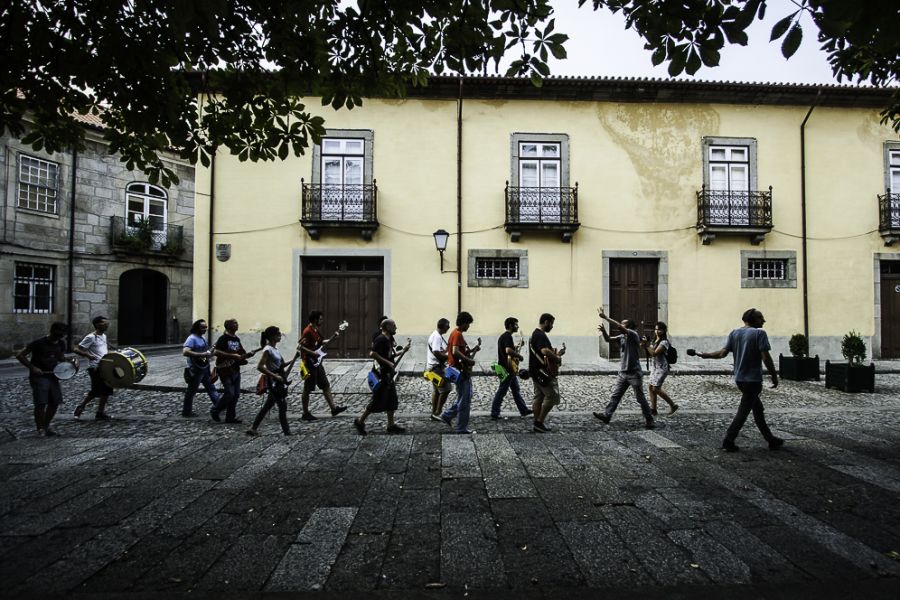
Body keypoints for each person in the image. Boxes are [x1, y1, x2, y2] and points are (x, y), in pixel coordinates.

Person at [693, 308, 784, 452]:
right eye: (761, 318)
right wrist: (773, 375)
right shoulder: (760, 333)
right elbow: (765, 357)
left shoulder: (735, 333)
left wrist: (706, 355)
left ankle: (770, 439)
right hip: (753, 380)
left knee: (757, 409)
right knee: (743, 411)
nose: (763, 320)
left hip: (740, 379)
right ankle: (728, 440)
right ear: (752, 319)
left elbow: (722, 353)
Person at [594, 308, 656, 430]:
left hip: (634, 373)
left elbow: (618, 326)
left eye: (623, 324)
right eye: (621, 323)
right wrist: (604, 331)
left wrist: (606, 317)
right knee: (616, 395)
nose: (621, 325)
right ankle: (607, 415)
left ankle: (649, 419)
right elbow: (608, 340)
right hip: (623, 372)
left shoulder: (633, 334)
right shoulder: (622, 336)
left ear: (629, 327)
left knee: (640, 398)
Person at [353, 319, 410, 435]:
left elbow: (390, 355)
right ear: (387, 327)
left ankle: (391, 425)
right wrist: (388, 363)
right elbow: (372, 354)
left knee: (392, 400)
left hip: (388, 374)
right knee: (377, 400)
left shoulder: (388, 339)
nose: (396, 327)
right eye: (394, 326)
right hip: (382, 375)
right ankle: (360, 421)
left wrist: (403, 350)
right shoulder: (381, 339)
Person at [16, 322, 70, 436]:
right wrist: (33, 367)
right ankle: (40, 428)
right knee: (41, 402)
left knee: (55, 402)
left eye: (63, 334)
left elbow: (60, 358)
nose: (61, 336)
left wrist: (69, 364)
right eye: (59, 333)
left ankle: (45, 427)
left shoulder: (61, 343)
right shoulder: (39, 343)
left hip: (53, 375)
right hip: (39, 376)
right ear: (53, 331)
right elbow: (20, 355)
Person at [434, 312, 480, 434]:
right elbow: (455, 351)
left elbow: (458, 351)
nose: (469, 326)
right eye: (468, 324)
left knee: (466, 396)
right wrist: (469, 360)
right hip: (460, 371)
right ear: (464, 323)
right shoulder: (457, 334)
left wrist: (473, 350)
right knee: (465, 400)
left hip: (459, 370)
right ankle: (461, 428)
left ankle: (447, 415)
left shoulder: (455, 333)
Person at [246, 326, 297, 436]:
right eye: (278, 334)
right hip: (274, 382)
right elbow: (260, 366)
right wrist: (275, 376)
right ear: (272, 336)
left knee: (267, 406)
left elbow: (281, 365)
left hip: (278, 379)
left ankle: (253, 428)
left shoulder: (275, 349)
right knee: (282, 406)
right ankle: (286, 431)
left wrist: (294, 358)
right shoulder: (268, 349)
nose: (280, 336)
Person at [298, 311, 347, 420]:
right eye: (320, 319)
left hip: (317, 363)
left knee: (325, 385)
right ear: (315, 320)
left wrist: (333, 338)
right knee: (307, 389)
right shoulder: (307, 331)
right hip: (309, 363)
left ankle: (333, 409)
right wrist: (313, 353)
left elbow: (320, 343)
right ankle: (305, 413)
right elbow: (300, 346)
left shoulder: (316, 331)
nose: (322, 321)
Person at [212, 318, 256, 423]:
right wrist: (232, 355)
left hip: (235, 369)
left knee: (236, 394)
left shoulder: (236, 339)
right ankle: (215, 410)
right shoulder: (223, 338)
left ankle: (230, 417)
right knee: (229, 393)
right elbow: (216, 351)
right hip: (224, 369)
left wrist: (247, 355)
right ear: (228, 325)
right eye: (235, 323)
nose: (237, 325)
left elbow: (240, 354)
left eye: (237, 323)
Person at [72, 316, 114, 421]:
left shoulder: (104, 336)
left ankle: (100, 412)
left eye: (107, 323)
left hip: (105, 366)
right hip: (95, 367)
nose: (106, 325)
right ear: (97, 325)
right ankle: (81, 406)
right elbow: (76, 349)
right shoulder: (91, 337)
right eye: (104, 323)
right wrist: (88, 356)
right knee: (96, 390)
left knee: (107, 390)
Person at [528, 313, 565, 433]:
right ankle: (539, 422)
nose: (552, 326)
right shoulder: (540, 335)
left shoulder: (535, 334)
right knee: (552, 397)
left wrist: (557, 353)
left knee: (538, 397)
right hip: (542, 372)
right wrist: (557, 358)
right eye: (551, 323)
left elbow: (543, 352)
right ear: (546, 322)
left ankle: (536, 423)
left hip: (535, 371)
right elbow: (544, 350)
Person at [490, 317, 532, 420]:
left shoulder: (504, 337)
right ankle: (494, 412)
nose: (518, 326)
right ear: (510, 325)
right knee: (502, 390)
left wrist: (517, 346)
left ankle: (523, 410)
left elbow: (508, 350)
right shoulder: (507, 336)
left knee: (515, 389)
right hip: (507, 368)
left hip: (503, 367)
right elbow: (508, 350)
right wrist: (519, 356)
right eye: (516, 324)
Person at [181, 319, 220, 418]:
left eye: (206, 327)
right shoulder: (192, 338)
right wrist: (200, 354)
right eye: (203, 327)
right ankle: (186, 412)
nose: (205, 329)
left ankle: (219, 406)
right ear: (197, 328)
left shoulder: (202, 338)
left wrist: (210, 353)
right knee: (191, 391)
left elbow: (206, 352)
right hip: (195, 369)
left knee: (211, 388)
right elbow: (185, 352)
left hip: (204, 368)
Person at [647, 321, 678, 416]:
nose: (657, 331)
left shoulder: (664, 342)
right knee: (650, 387)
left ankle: (672, 405)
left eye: (660, 329)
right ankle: (653, 409)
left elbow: (654, 353)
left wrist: (646, 346)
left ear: (664, 331)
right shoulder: (655, 340)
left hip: (661, 368)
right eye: (656, 329)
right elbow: (650, 352)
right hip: (655, 367)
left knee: (656, 388)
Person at [426, 318, 452, 417]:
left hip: (432, 369)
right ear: (443, 326)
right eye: (447, 326)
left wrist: (445, 351)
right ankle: (438, 412)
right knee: (446, 389)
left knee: (437, 391)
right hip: (436, 369)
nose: (448, 328)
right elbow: (436, 352)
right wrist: (449, 356)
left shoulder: (436, 335)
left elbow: (438, 351)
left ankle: (434, 412)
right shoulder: (437, 337)